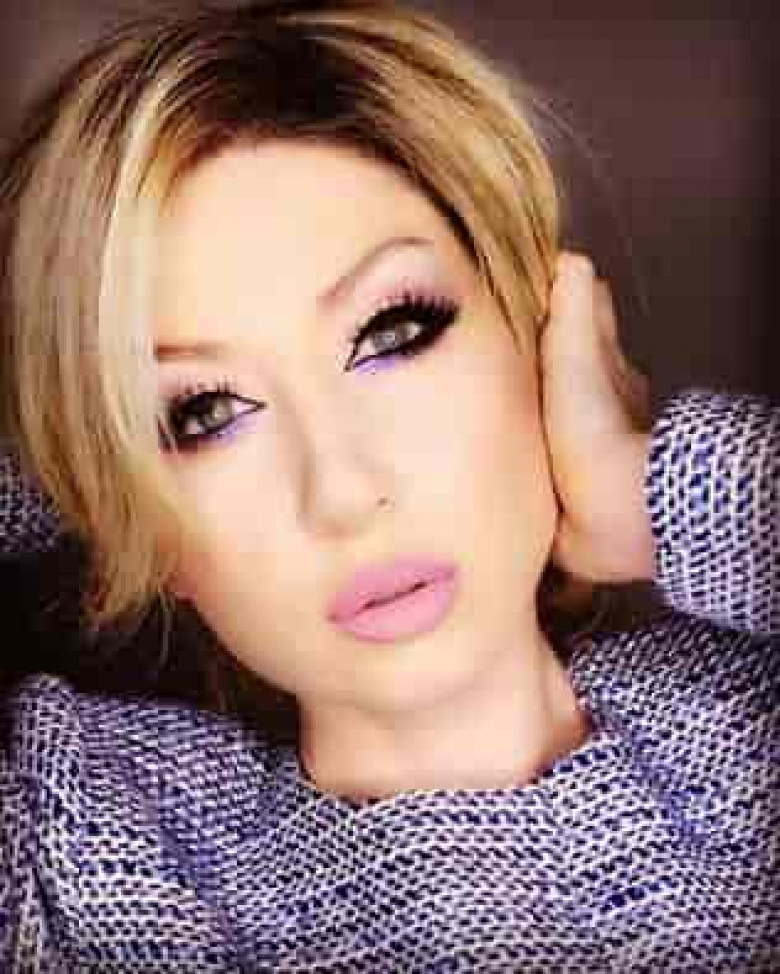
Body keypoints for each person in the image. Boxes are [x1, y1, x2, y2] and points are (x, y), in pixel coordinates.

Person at [0, 1, 776, 970]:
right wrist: (76, 439)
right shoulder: (76, 848)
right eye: (203, 413)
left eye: (392, 332)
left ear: (538, 331)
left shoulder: (752, 730)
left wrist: (654, 496)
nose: (342, 490)